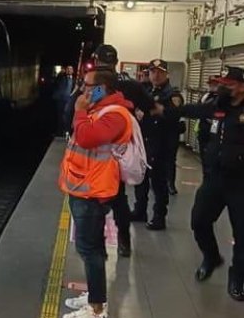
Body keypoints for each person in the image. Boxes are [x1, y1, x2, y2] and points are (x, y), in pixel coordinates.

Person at [59, 67, 134, 318]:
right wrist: (80, 107)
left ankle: (96, 310)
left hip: (93, 191)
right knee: (93, 246)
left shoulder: (115, 115)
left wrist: (81, 110)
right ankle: (94, 294)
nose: (83, 89)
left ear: (102, 88)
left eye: (88, 85)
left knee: (88, 248)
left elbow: (88, 137)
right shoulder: (98, 109)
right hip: (84, 187)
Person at [65, 44, 155, 256]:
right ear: (115, 61)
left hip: (95, 155)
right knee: (119, 198)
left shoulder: (94, 85)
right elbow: (153, 107)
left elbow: (70, 112)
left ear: (96, 61)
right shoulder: (130, 85)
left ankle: (95, 244)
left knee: (94, 201)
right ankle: (124, 240)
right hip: (120, 153)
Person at [176, 66, 244, 299]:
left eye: (229, 84)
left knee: (242, 233)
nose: (223, 88)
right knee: (199, 221)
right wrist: (165, 109)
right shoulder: (218, 106)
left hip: (240, 183)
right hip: (214, 178)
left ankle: (238, 277)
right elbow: (194, 110)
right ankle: (211, 256)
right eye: (221, 83)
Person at [131, 58, 182, 230]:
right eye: (152, 71)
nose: (155, 75)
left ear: (166, 74)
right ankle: (140, 210)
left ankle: (159, 217)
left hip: (161, 145)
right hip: (144, 142)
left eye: (159, 72)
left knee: (158, 183)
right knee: (141, 179)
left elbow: (173, 115)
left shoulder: (172, 94)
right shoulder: (147, 90)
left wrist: (151, 111)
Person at [195, 76, 219, 175]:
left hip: (215, 134)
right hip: (204, 131)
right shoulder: (205, 97)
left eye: (214, 84)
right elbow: (198, 109)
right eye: (210, 84)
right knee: (205, 160)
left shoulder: (222, 98)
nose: (211, 86)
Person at [52, 65, 74, 135]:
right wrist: (60, 73)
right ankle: (59, 131)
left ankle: (66, 131)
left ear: (73, 71)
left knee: (67, 115)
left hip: (68, 100)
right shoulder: (61, 78)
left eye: (70, 69)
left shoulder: (74, 80)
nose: (69, 70)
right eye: (67, 69)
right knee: (59, 115)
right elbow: (55, 83)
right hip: (60, 99)